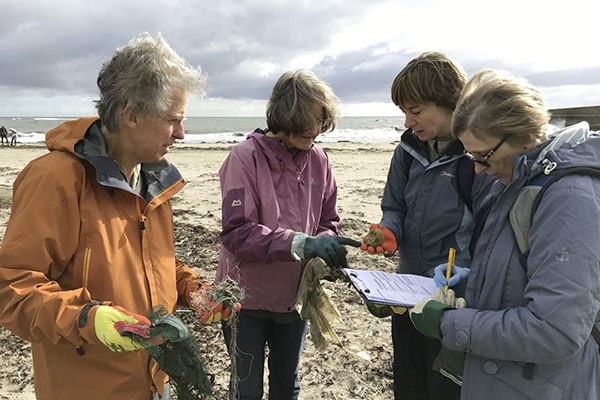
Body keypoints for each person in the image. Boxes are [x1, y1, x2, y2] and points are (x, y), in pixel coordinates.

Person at [0, 33, 235, 400]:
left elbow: (155, 262)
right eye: (173, 120)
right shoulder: (56, 179)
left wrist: (192, 288)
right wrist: (87, 318)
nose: (182, 134)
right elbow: (12, 288)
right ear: (131, 115)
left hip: (156, 381)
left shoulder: (152, 179)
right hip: (88, 388)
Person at [410, 68, 600, 399]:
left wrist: (447, 324)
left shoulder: (568, 199)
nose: (478, 170)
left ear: (523, 135)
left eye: (483, 156)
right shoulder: (516, 178)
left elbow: (555, 331)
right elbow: (524, 276)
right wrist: (470, 280)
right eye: (470, 157)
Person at [359, 52, 494, 399]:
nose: (407, 122)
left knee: (446, 389)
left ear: (450, 102)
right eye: (404, 112)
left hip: (452, 301)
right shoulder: (406, 151)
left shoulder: (477, 156)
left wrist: (462, 271)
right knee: (407, 383)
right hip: (406, 292)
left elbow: (484, 230)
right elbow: (394, 206)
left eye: (415, 111)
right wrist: (389, 231)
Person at [216, 69, 357, 400]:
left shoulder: (319, 160)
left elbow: (327, 217)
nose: (316, 130)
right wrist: (302, 243)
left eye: (321, 122)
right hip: (244, 300)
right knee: (246, 388)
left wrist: (325, 245)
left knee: (286, 385)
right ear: (284, 115)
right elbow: (237, 233)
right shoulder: (244, 158)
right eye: (309, 121)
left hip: (294, 298)